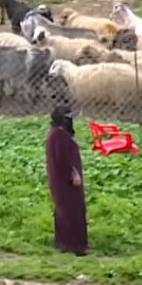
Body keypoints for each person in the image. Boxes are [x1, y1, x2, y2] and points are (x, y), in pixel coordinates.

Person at [44, 105, 88, 257]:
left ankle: (65, 243)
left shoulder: (57, 133)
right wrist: (74, 173)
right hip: (65, 180)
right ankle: (74, 245)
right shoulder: (58, 135)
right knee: (71, 209)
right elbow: (62, 159)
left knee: (66, 209)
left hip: (60, 179)